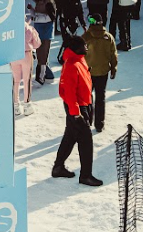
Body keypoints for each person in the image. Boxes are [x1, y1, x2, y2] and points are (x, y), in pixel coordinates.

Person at [49, 34, 103, 186]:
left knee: (71, 136)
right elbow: (69, 92)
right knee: (86, 141)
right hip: (77, 108)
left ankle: (58, 167)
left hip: (83, 105)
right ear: (75, 48)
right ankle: (85, 176)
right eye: (83, 45)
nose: (86, 47)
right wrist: (75, 112)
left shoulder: (79, 59)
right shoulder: (71, 64)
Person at [82, 14, 118, 133]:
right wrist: (113, 68)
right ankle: (99, 124)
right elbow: (113, 54)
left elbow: (79, 53)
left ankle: (86, 121)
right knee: (100, 97)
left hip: (88, 71)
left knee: (86, 97)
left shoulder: (86, 37)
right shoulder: (108, 37)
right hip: (103, 71)